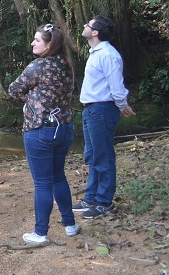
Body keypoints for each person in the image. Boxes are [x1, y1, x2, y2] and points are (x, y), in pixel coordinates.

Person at [8, 23, 79, 244]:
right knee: (58, 176)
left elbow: (13, 89)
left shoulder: (37, 66)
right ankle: (70, 224)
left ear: (49, 44)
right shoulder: (67, 65)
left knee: (42, 183)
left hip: (40, 129)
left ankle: (40, 233)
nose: (32, 43)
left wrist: (29, 98)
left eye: (37, 40)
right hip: (64, 128)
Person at [74, 16, 136, 219]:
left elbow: (116, 86)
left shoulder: (108, 54)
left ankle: (104, 202)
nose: (84, 26)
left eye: (88, 25)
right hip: (91, 110)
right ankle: (90, 198)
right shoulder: (95, 53)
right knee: (92, 156)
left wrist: (122, 105)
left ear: (95, 32)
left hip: (102, 109)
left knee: (103, 157)